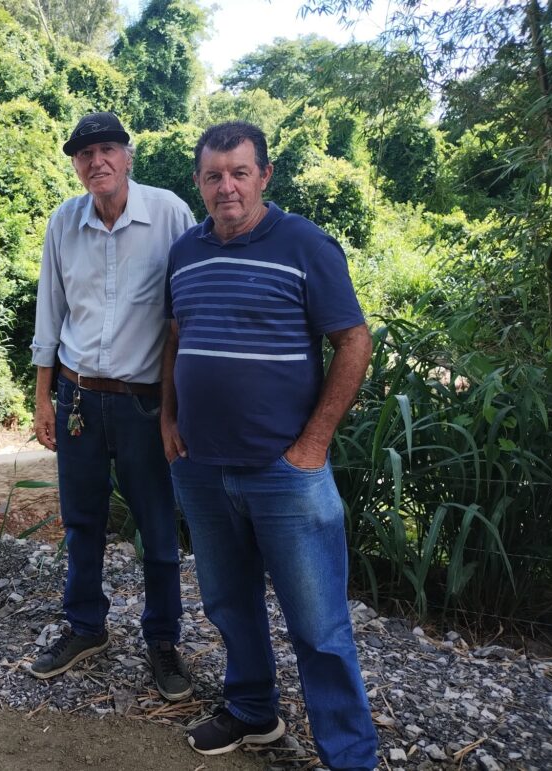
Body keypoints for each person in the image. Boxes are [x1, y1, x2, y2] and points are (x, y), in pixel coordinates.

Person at [161, 121, 378, 769]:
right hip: (200, 467)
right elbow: (176, 338)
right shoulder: (185, 252)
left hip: (286, 473)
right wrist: (168, 420)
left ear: (265, 175)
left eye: (239, 172)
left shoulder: (305, 244)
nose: (226, 186)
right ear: (198, 182)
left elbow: (354, 340)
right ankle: (254, 711)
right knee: (229, 602)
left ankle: (349, 755)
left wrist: (314, 443)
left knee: (318, 625)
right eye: (213, 175)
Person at [28, 111, 196, 701]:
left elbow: (187, 312)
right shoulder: (63, 223)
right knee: (81, 521)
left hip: (144, 404)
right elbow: (50, 313)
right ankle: (85, 626)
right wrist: (43, 399)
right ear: (75, 165)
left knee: (156, 525)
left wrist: (181, 407)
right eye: (83, 153)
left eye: (106, 150)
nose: (95, 161)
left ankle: (162, 640)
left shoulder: (171, 214)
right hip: (77, 398)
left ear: (128, 155)